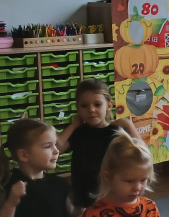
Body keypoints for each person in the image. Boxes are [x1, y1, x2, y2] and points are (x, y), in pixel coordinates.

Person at [56, 78, 142, 209]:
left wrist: (129, 125)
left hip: (108, 197)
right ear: (77, 108)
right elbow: (56, 150)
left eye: (97, 104)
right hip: (81, 198)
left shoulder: (115, 132)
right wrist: (73, 125)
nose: (91, 109)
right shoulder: (79, 132)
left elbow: (141, 154)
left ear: (109, 105)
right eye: (84, 106)